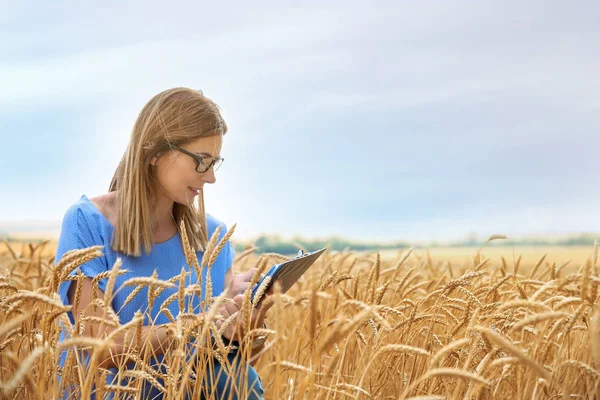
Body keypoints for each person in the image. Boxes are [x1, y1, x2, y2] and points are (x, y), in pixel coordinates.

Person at [54, 87, 269, 399]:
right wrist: (202, 320)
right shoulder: (87, 223)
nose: (210, 178)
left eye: (215, 162)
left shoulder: (213, 237)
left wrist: (246, 326)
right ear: (155, 152)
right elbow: (105, 349)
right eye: (201, 161)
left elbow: (232, 374)